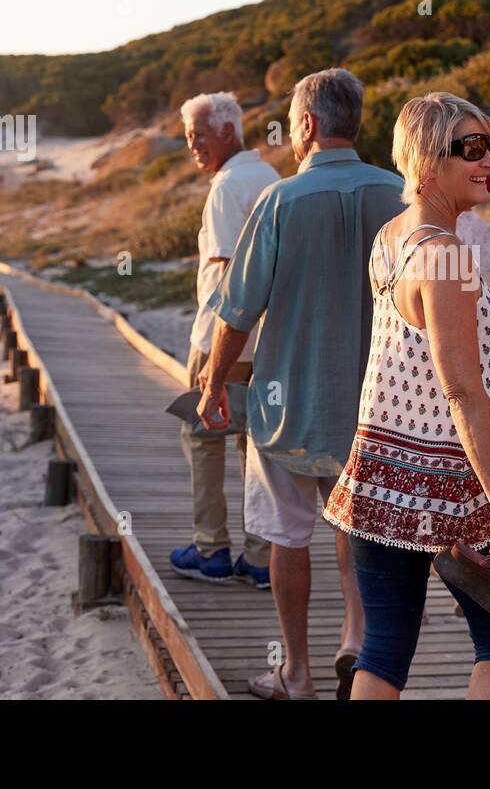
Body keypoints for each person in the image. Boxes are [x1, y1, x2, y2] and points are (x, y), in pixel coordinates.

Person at [322, 92, 490, 700]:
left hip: (379, 474)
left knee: (386, 644)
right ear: (426, 161)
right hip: (454, 477)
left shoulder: (391, 239)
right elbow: (463, 389)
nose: (487, 160)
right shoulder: (446, 256)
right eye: (471, 148)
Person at [197, 68, 404, 699]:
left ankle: (297, 671)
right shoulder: (399, 194)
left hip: (287, 404)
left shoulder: (280, 201)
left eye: (291, 122)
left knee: (288, 534)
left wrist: (212, 385)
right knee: (354, 525)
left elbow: (237, 309)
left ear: (307, 125)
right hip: (372, 404)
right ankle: (355, 640)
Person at [169, 92, 279, 587]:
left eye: (199, 135)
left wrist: (212, 347)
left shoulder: (227, 187)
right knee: (256, 443)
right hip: (271, 336)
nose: (192, 145)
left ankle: (210, 548)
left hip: (228, 335)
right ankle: (259, 556)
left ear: (229, 132)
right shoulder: (272, 179)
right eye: (189, 136)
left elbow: (227, 277)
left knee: (203, 432)